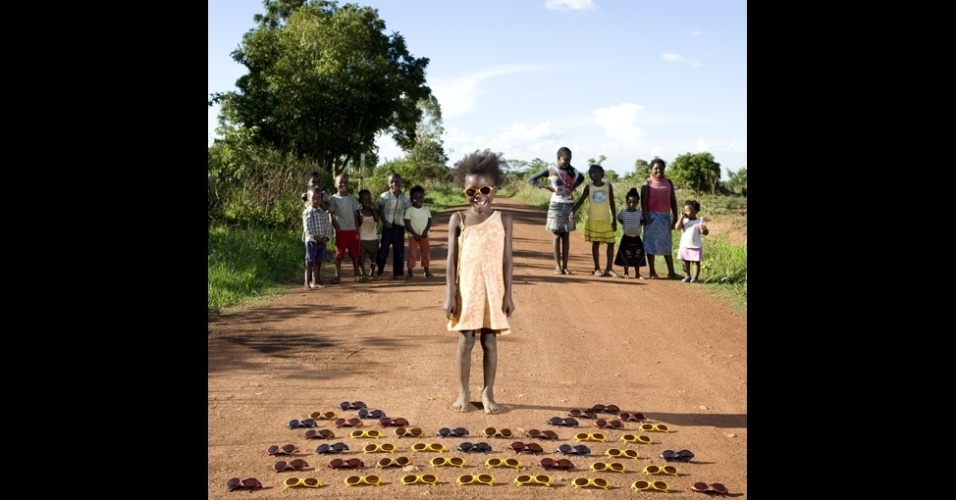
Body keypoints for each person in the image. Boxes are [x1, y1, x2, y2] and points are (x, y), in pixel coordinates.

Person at [444, 149, 514, 414]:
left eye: (484, 189)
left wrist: (508, 295)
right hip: (467, 290)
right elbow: (451, 261)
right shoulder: (458, 219)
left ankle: (488, 391)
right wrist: (450, 294)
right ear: (464, 191)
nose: (478, 196)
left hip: (493, 290)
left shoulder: (504, 220)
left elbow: (508, 261)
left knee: (490, 342)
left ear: (494, 189)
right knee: (466, 341)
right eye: (471, 191)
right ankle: (464, 391)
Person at [526, 146, 585, 274]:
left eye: (569, 159)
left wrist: (572, 188)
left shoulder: (573, 171)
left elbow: (582, 178)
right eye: (565, 159)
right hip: (556, 205)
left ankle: (565, 267)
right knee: (557, 235)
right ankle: (558, 266)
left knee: (566, 235)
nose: (568, 162)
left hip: (569, 205)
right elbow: (531, 179)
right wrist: (545, 186)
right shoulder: (551, 170)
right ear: (558, 158)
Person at [570, 164, 618, 277]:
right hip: (594, 220)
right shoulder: (589, 187)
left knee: (611, 243)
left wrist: (614, 220)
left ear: (602, 173)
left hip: (606, 220)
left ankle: (609, 269)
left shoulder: (608, 186)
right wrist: (573, 211)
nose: (593, 174)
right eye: (591, 173)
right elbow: (581, 200)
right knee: (596, 243)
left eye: (595, 172)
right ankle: (597, 268)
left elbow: (612, 203)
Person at [640, 158, 680, 279]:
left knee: (666, 245)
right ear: (651, 170)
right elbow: (643, 203)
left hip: (665, 217)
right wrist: (647, 218)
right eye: (656, 168)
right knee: (650, 245)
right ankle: (652, 272)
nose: (659, 170)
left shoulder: (668, 182)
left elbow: (673, 200)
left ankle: (671, 272)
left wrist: (675, 217)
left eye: (661, 168)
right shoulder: (647, 183)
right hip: (651, 217)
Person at [376, 173, 411, 280]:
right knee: (384, 250)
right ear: (388, 183)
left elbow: (408, 210)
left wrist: (406, 224)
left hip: (399, 227)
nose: (394, 184)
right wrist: (384, 221)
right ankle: (379, 272)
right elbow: (380, 209)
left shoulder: (405, 198)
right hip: (387, 226)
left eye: (397, 181)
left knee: (399, 250)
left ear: (401, 183)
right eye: (392, 182)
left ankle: (398, 273)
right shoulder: (384, 196)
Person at [327, 173, 362, 284]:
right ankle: (337, 276)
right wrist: (334, 224)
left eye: (346, 182)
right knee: (339, 254)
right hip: (341, 231)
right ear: (335, 184)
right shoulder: (333, 199)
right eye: (341, 182)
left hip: (352, 231)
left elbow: (356, 214)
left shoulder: (352, 198)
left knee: (355, 254)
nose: (343, 184)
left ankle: (357, 274)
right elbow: (331, 213)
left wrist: (357, 229)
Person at [614, 187, 647, 279]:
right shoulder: (623, 213)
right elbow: (619, 219)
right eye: (630, 202)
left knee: (637, 255)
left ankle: (637, 273)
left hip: (636, 237)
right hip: (626, 237)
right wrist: (625, 225)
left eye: (634, 202)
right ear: (627, 201)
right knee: (626, 255)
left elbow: (642, 221)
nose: (632, 204)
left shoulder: (640, 213)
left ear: (637, 202)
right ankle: (626, 273)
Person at [302, 188, 330, 290]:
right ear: (308, 199)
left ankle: (315, 281)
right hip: (311, 241)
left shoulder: (323, 213)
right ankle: (306, 283)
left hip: (321, 241)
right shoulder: (307, 212)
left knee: (318, 261)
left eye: (318, 198)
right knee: (309, 261)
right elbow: (307, 227)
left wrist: (326, 237)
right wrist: (315, 237)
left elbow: (327, 225)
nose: (316, 200)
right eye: (313, 198)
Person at [675, 199, 709, 283]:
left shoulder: (699, 221)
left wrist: (703, 230)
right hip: (685, 244)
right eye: (684, 210)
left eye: (688, 210)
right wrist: (681, 217)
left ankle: (695, 277)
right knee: (685, 261)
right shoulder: (684, 220)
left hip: (696, 245)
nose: (686, 212)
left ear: (696, 211)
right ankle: (687, 276)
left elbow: (705, 232)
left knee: (696, 262)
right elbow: (677, 227)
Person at [404, 185, 433, 279]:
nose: (418, 199)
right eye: (415, 197)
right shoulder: (409, 210)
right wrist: (414, 234)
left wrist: (425, 231)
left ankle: (426, 271)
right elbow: (407, 224)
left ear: (424, 197)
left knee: (425, 253)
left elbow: (429, 221)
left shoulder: (426, 209)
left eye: (420, 197)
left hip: (424, 235)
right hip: (413, 236)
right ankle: (410, 272)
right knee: (412, 254)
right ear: (411, 198)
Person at [357, 189, 380, 281]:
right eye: (365, 199)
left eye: (369, 199)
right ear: (360, 201)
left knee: (373, 258)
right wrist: (360, 220)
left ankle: (371, 274)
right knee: (361, 258)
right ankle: (363, 274)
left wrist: (373, 209)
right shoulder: (359, 212)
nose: (368, 201)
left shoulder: (374, 211)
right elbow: (357, 225)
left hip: (373, 239)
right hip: (362, 239)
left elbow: (377, 219)